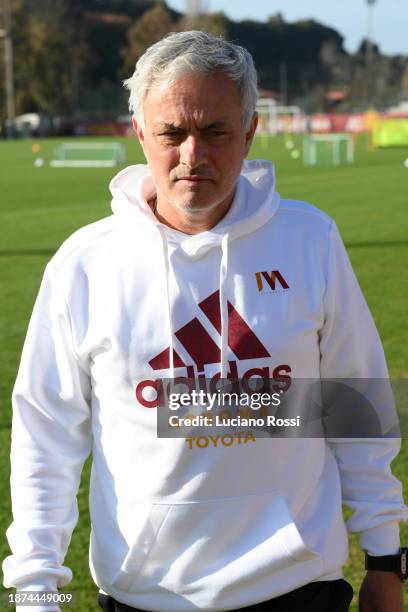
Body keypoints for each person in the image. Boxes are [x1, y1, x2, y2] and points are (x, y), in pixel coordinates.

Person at [2, 31, 407, 612]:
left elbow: (355, 400)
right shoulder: (85, 265)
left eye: (215, 131)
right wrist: (36, 592)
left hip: (297, 588)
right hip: (144, 595)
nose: (194, 154)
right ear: (140, 132)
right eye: (172, 133)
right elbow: (45, 437)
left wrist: (386, 558)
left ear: (248, 132)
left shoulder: (309, 239)